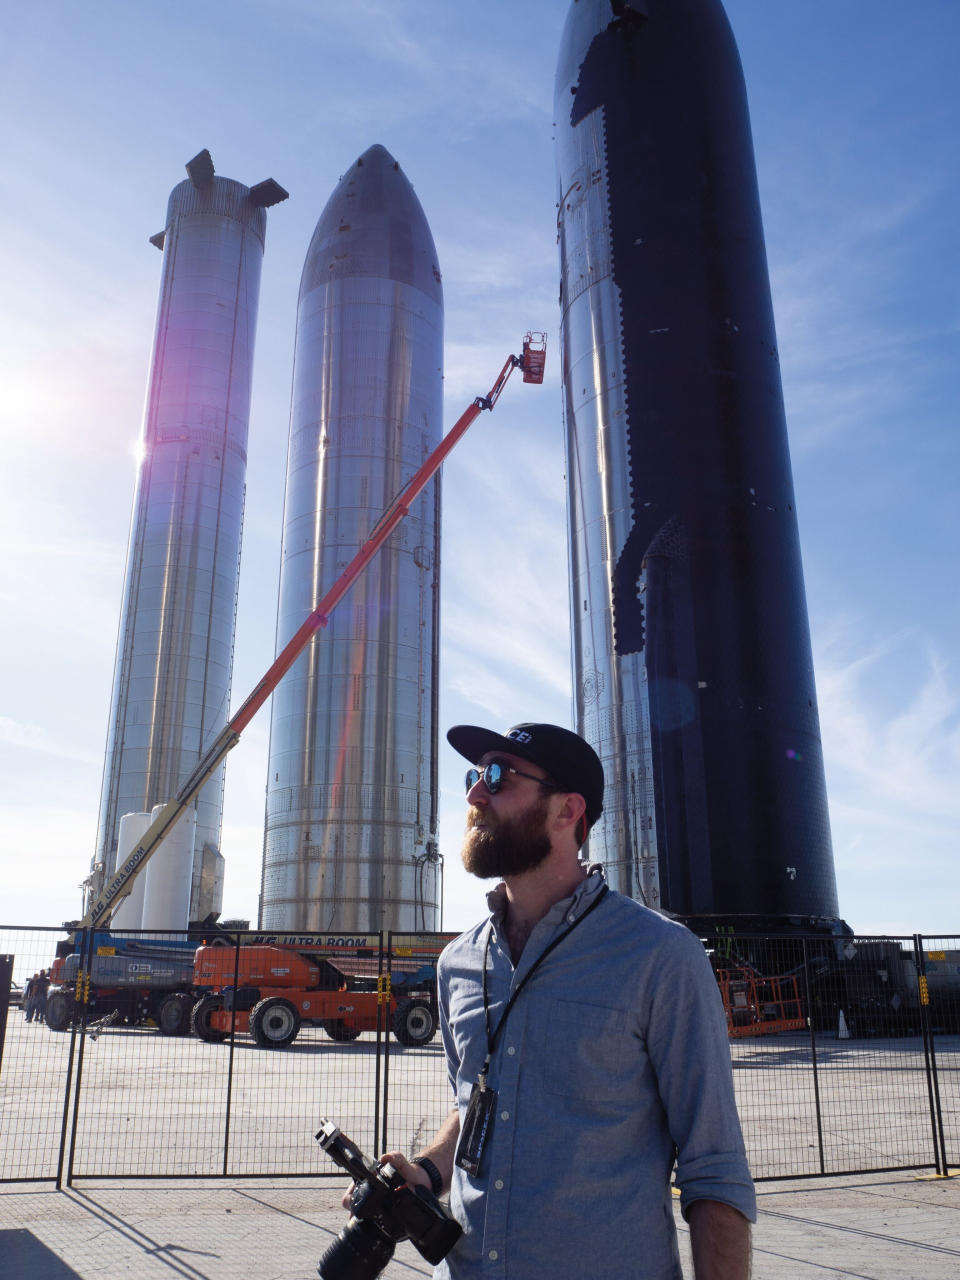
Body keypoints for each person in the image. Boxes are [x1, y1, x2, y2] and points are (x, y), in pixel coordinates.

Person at [376, 722, 756, 1279]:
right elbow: (474, 1105)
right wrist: (429, 1171)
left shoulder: (659, 956)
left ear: (567, 809)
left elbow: (714, 1167)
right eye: (474, 776)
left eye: (498, 777)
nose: (474, 794)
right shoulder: (456, 963)